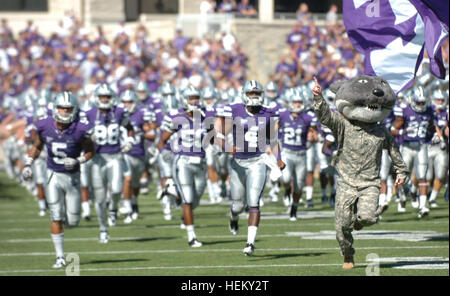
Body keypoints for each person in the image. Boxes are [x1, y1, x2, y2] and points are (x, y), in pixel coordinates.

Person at [312, 76, 408, 269]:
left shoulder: (382, 132)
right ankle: (348, 255)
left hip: (370, 183)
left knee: (368, 218)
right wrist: (318, 97)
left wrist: (401, 172)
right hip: (346, 183)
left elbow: (394, 151)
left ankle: (362, 219)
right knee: (341, 228)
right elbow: (326, 117)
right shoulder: (344, 125)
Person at [22, 91, 95, 268]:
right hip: (53, 174)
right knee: (55, 215)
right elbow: (37, 146)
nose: (64, 111)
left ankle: (68, 224)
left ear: (74, 109)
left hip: (73, 177)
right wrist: (28, 163)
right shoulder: (44, 124)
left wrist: (78, 160)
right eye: (61, 108)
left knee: (74, 219)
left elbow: (91, 151)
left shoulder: (80, 128)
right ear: (55, 108)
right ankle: (60, 257)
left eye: (68, 108)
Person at [216, 80, 285, 255]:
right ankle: (233, 217)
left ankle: (250, 243)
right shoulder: (233, 109)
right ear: (244, 94)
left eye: (256, 94)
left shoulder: (268, 113)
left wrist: (279, 158)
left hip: (258, 161)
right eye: (250, 93)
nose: (254, 97)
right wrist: (225, 146)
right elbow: (217, 132)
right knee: (238, 205)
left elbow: (274, 139)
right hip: (238, 162)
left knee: (254, 201)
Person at [157, 86, 214, 247]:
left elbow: (211, 137)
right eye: (191, 98)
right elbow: (162, 141)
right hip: (183, 162)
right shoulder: (176, 117)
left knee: (195, 200)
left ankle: (172, 191)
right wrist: (164, 152)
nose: (194, 101)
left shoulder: (206, 115)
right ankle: (192, 237)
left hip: (200, 162)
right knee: (188, 199)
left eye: (196, 97)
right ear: (184, 100)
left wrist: (217, 146)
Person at [84, 83, 134, 243]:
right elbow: (80, 133)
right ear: (96, 98)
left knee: (117, 189)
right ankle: (103, 229)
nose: (105, 99)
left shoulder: (119, 112)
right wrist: (86, 140)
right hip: (98, 159)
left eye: (107, 96)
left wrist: (130, 140)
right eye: (102, 97)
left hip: (115, 156)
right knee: (99, 198)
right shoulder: (89, 114)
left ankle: (113, 208)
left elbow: (129, 126)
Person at [390, 86, 436, 218]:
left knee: (422, 177)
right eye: (418, 102)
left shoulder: (429, 111)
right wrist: (402, 132)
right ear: (412, 100)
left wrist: (434, 136)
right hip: (407, 147)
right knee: (403, 176)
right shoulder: (405, 111)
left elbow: (432, 127)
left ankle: (423, 207)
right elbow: (392, 130)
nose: (421, 105)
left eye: (423, 102)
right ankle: (408, 192)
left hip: (421, 146)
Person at [278, 90, 317, 220]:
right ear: (290, 103)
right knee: (286, 178)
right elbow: (273, 131)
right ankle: (287, 191)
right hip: (287, 153)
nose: (297, 104)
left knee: (300, 185)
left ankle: (294, 207)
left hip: (301, 154)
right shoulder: (282, 115)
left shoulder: (308, 117)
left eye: (299, 102)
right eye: (295, 102)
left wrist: (312, 137)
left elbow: (314, 135)